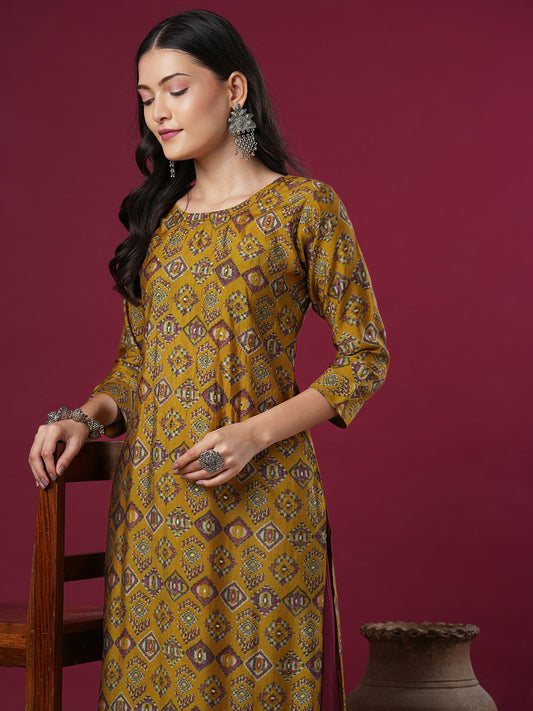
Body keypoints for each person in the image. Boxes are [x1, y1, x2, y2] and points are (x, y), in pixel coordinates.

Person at [28, 9, 389, 710]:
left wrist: (253, 434)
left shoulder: (304, 209)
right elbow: (135, 366)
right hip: (155, 515)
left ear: (233, 90)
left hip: (263, 502)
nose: (158, 113)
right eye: (145, 98)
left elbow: (365, 357)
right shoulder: (159, 222)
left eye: (175, 89)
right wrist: (86, 416)